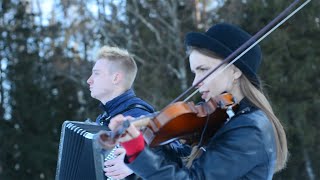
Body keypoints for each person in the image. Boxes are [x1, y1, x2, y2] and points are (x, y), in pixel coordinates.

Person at [104, 23, 288, 179]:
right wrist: (149, 147)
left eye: (203, 69)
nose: (195, 82)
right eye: (194, 72)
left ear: (235, 71)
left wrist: (139, 153)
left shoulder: (251, 129)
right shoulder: (226, 118)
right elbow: (186, 168)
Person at [87, 46, 155, 179]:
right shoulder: (103, 119)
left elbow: (173, 151)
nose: (89, 80)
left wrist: (137, 162)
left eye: (96, 73)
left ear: (116, 78)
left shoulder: (138, 115)